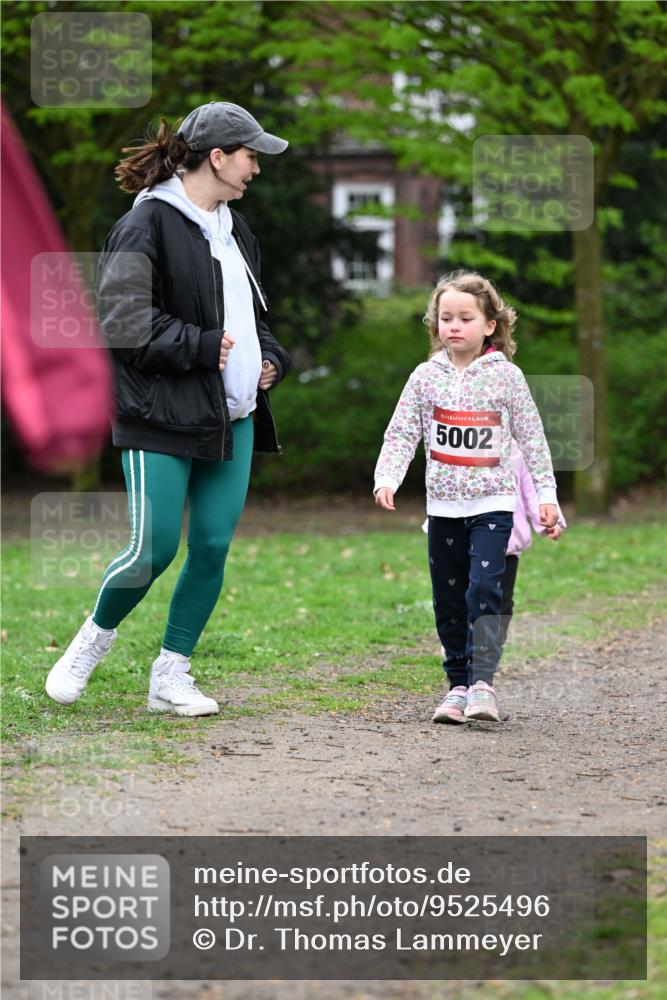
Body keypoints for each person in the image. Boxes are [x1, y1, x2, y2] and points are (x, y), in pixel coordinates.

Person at [45, 102, 291, 716]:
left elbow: (256, 320)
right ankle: (90, 644)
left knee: (210, 548)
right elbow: (124, 324)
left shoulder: (239, 231)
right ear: (218, 157)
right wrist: (202, 346)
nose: (256, 169)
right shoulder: (146, 224)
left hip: (230, 416)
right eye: (250, 155)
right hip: (159, 415)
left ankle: (171, 674)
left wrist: (273, 361)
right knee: (152, 549)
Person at [374, 270, 559, 724]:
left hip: (494, 503)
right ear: (435, 324)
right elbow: (402, 433)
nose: (454, 326)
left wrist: (547, 496)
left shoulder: (508, 378)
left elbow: (533, 439)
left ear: (490, 325)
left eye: (465, 318)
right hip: (442, 508)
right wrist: (387, 478)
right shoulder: (424, 377)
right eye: (445, 318)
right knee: (448, 599)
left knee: (484, 589)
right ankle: (456, 686)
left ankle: (482, 685)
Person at [499, 439, 567, 649]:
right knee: (466, 597)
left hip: (508, 543)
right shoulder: (460, 442)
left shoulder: (515, 449)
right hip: (465, 540)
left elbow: (533, 489)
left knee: (502, 604)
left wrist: (549, 520)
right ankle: (458, 645)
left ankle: (487, 655)